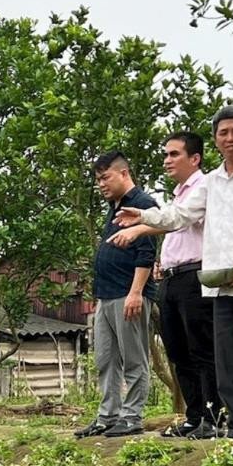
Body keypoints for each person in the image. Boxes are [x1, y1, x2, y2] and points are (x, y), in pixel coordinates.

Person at [112, 107, 233, 441]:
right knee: (225, 361)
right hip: (218, 284)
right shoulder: (211, 182)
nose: (229, 138)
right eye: (222, 133)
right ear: (215, 140)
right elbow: (179, 216)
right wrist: (142, 214)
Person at [75, 151, 159, 438]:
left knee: (134, 359)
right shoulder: (115, 207)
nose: (100, 184)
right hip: (106, 296)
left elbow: (146, 253)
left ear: (123, 173)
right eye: (97, 179)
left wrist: (136, 292)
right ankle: (107, 416)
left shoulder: (143, 205)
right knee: (106, 361)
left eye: (105, 177)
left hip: (129, 294)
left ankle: (132, 416)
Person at [151, 132, 221, 438]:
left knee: (202, 348)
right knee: (178, 352)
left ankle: (213, 415)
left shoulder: (204, 187)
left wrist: (142, 222)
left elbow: (180, 219)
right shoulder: (178, 193)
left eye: (174, 154)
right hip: (170, 278)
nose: (167, 160)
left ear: (195, 159)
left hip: (195, 277)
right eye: (166, 154)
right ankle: (194, 416)